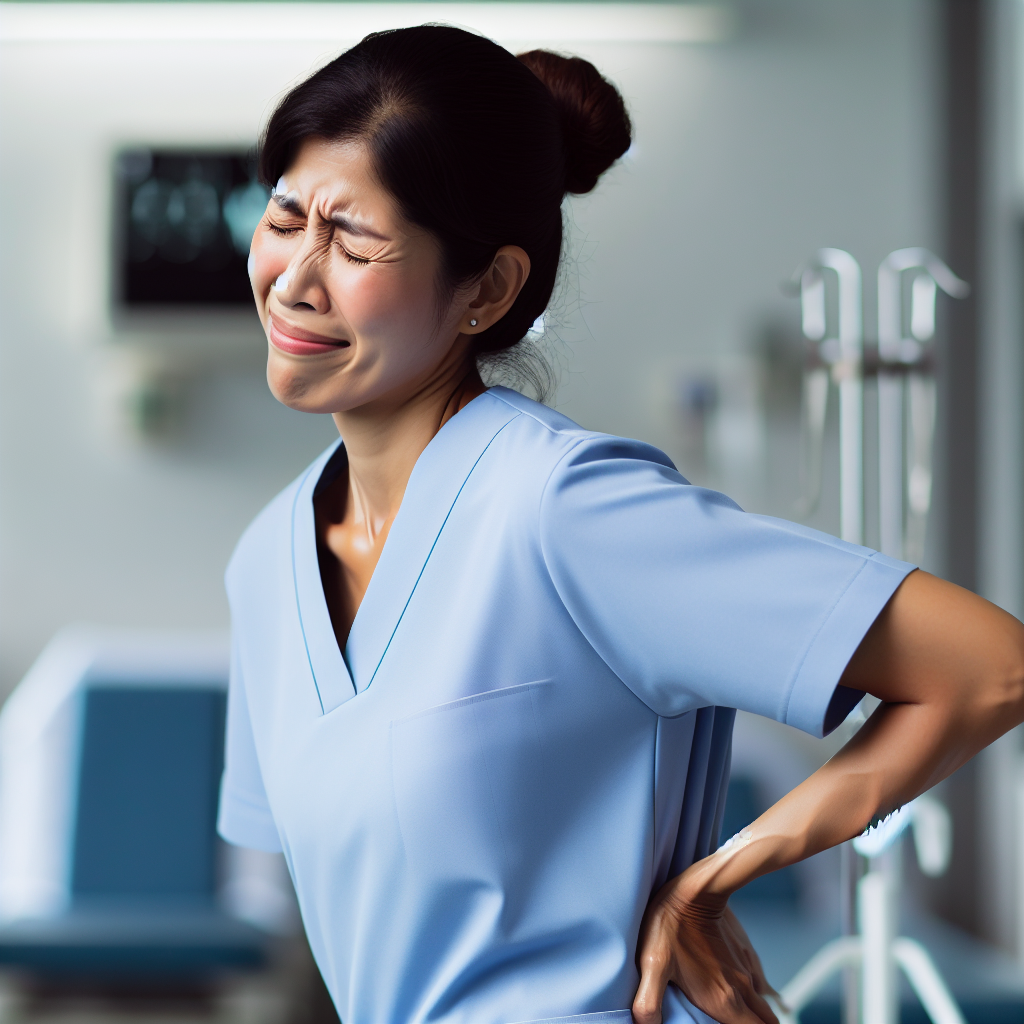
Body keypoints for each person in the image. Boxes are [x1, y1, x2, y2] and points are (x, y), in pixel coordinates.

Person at [216, 25, 1024, 1024]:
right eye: (285, 217)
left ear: (488, 289)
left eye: (354, 242)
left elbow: (991, 664)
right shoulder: (266, 559)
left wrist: (716, 877)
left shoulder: (563, 510)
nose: (295, 277)